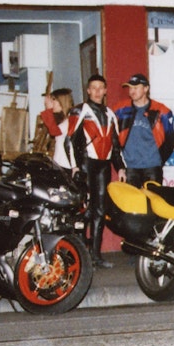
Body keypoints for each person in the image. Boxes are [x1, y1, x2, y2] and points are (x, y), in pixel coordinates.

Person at [70, 74, 124, 268]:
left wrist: (121, 167)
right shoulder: (79, 111)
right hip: (85, 164)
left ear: (105, 90)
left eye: (101, 87)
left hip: (103, 165)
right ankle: (78, 254)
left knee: (100, 210)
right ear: (88, 90)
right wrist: (75, 166)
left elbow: (116, 145)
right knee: (83, 209)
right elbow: (70, 140)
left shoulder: (110, 114)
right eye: (93, 87)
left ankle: (96, 254)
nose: (97, 91)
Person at [116, 73, 174, 187]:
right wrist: (120, 165)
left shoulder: (162, 111)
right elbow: (113, 139)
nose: (131, 91)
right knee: (133, 204)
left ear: (146, 88)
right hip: (130, 167)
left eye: (135, 87)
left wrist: (159, 161)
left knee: (153, 203)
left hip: (152, 167)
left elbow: (171, 139)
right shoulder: (120, 110)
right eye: (130, 88)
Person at [39, 87, 77, 172]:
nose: (52, 104)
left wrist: (48, 109)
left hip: (66, 165)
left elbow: (54, 131)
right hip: (61, 164)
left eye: (53, 100)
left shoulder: (70, 120)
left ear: (61, 101)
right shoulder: (64, 120)